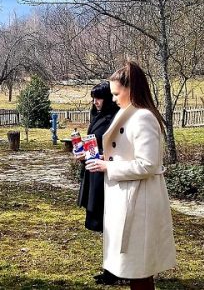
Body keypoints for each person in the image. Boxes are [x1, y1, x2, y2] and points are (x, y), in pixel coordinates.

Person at [86, 61, 176, 290]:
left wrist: (109, 168)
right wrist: (101, 161)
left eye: (116, 93)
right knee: (135, 267)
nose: (114, 99)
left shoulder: (143, 117)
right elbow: (123, 153)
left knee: (139, 268)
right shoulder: (129, 114)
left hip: (139, 202)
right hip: (128, 199)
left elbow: (148, 164)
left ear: (131, 89)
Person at [75, 81, 120, 284]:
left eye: (99, 98)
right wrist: (83, 153)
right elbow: (93, 141)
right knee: (104, 224)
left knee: (111, 223)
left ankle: (116, 271)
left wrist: (100, 156)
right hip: (94, 173)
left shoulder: (116, 118)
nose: (96, 102)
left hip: (108, 175)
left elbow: (117, 149)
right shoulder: (97, 115)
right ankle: (110, 269)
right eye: (94, 98)